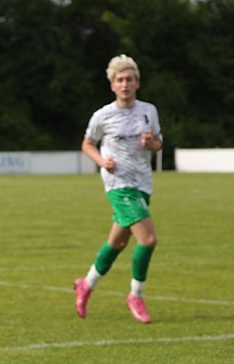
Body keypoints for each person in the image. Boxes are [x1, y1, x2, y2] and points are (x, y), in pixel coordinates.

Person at [74, 54, 162, 324]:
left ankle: (86, 283)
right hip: (118, 184)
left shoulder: (149, 111)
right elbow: (87, 144)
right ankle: (136, 295)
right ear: (112, 85)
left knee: (118, 242)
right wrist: (102, 161)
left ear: (137, 83)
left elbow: (158, 143)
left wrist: (150, 144)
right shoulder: (103, 115)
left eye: (130, 79)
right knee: (147, 240)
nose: (125, 84)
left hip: (143, 182)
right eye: (120, 80)